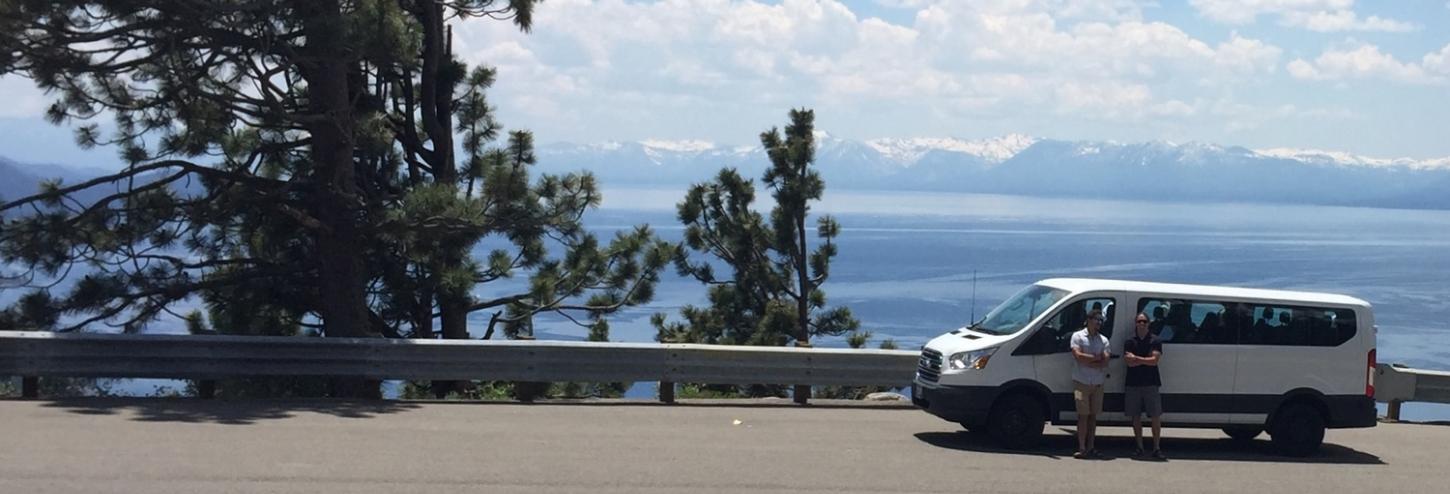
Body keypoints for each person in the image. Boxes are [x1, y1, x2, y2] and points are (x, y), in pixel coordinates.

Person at [1124, 312, 1166, 460]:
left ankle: (1156, 447)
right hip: (1133, 383)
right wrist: (1145, 360)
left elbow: (1154, 361)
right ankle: (1139, 447)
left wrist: (1137, 359)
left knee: (1155, 416)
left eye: (1144, 321)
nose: (1142, 324)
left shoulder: (1156, 340)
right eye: (1139, 321)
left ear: (1149, 323)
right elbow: (1129, 362)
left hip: (1151, 383)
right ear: (1135, 323)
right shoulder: (1129, 341)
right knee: (1135, 416)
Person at [1070, 308, 1110, 459]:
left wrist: (1090, 361)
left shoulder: (1104, 340)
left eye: (1101, 320)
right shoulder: (1078, 336)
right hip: (1080, 383)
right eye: (1096, 319)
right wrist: (1096, 358)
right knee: (1082, 415)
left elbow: (1105, 361)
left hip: (1098, 383)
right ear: (1089, 320)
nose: (1099, 323)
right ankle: (1081, 447)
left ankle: (1091, 446)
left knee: (1093, 416)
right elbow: (1077, 356)